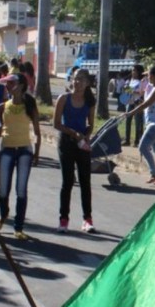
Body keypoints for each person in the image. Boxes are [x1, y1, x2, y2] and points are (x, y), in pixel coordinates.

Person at [0, 73, 41, 239]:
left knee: (21, 190)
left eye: (11, 83)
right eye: (6, 84)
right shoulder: (2, 107)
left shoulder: (29, 106)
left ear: (21, 86)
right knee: (3, 190)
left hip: (24, 151)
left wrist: (36, 152)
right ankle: (3, 214)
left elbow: (37, 131)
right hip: (6, 149)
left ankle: (18, 227)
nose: (8, 87)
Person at [54, 68, 96, 233]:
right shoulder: (64, 99)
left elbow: (90, 124)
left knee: (85, 182)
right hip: (66, 142)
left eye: (81, 79)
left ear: (87, 83)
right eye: (75, 78)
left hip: (81, 143)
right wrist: (73, 134)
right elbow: (56, 124)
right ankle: (63, 219)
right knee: (68, 181)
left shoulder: (90, 101)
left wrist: (86, 136)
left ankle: (87, 219)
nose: (77, 82)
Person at [125, 66, 155, 185]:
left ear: (153, 76)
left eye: (148, 75)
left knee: (143, 147)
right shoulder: (154, 88)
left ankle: (154, 173)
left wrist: (131, 113)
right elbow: (146, 102)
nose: (146, 77)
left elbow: (146, 104)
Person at [122, 64, 145, 146]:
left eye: (134, 70)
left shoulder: (142, 81)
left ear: (139, 72)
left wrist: (132, 91)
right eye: (132, 70)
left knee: (138, 122)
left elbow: (142, 92)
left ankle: (137, 141)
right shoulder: (130, 80)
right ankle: (127, 140)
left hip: (138, 102)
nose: (133, 72)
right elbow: (126, 90)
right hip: (130, 102)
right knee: (128, 121)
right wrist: (127, 89)